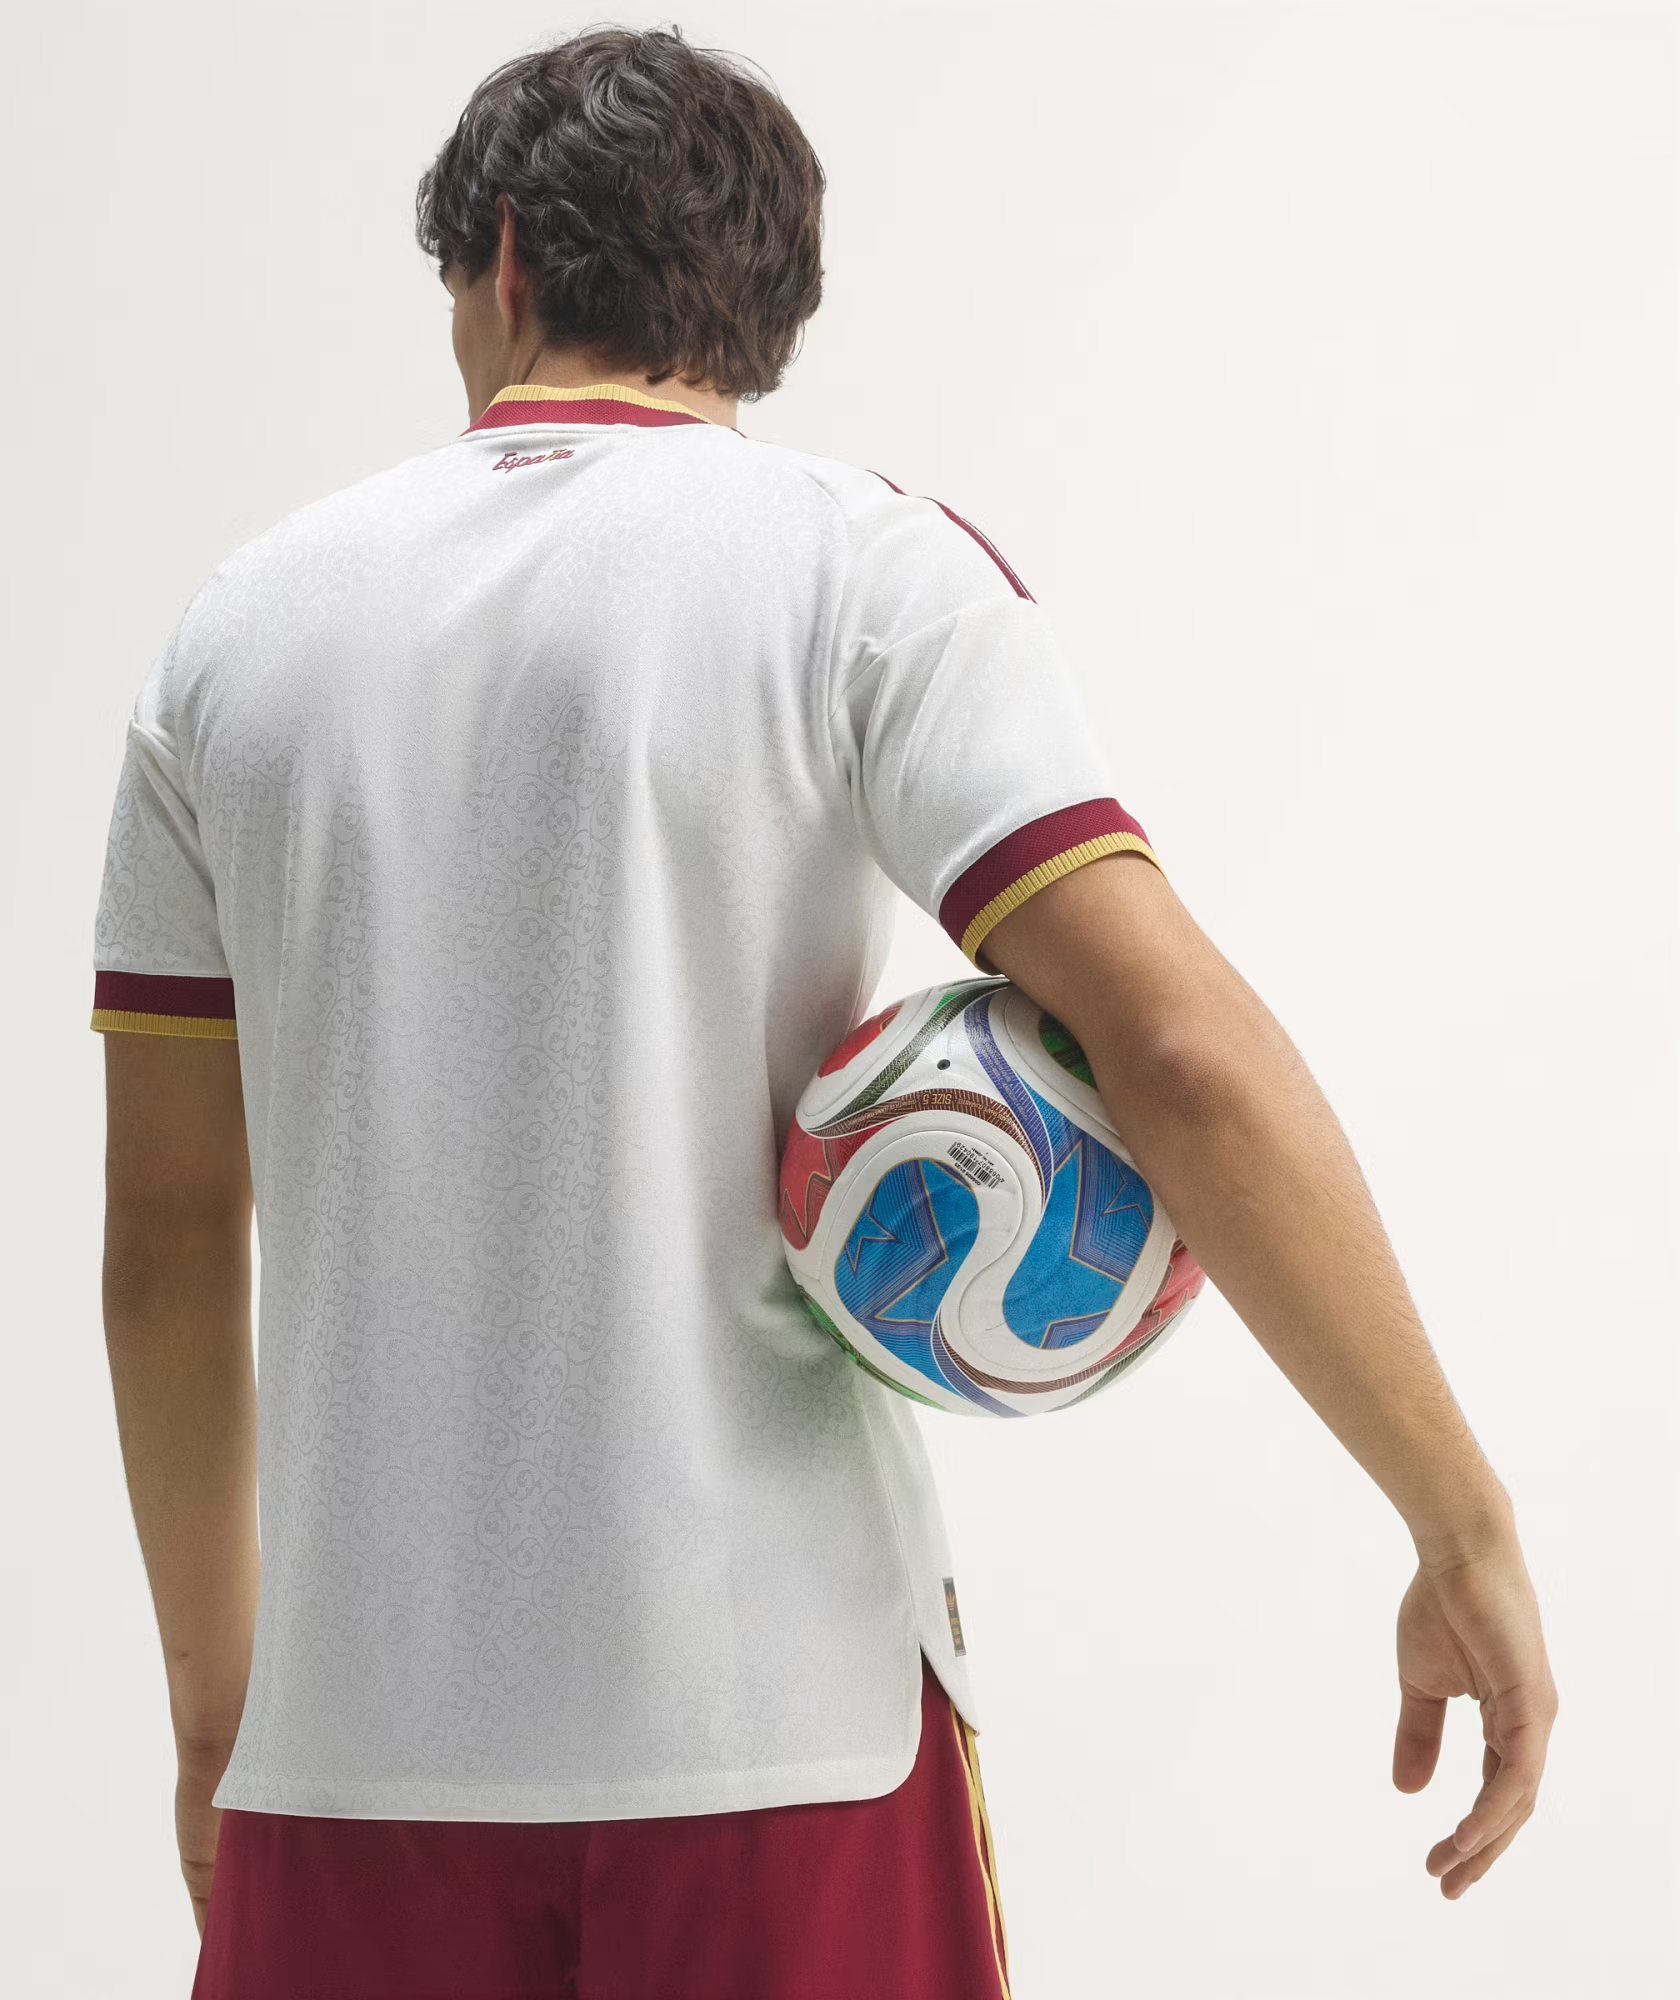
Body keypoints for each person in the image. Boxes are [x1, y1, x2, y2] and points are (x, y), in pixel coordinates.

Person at [92, 26, 1556, 1999]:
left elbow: (171, 1242)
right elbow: (1180, 1052)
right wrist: (1456, 1515)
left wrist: (218, 1717)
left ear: (503, 258)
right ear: (755, 308)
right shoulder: (864, 574)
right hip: (781, 1722)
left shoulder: (232, 641)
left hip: (350, 1761)